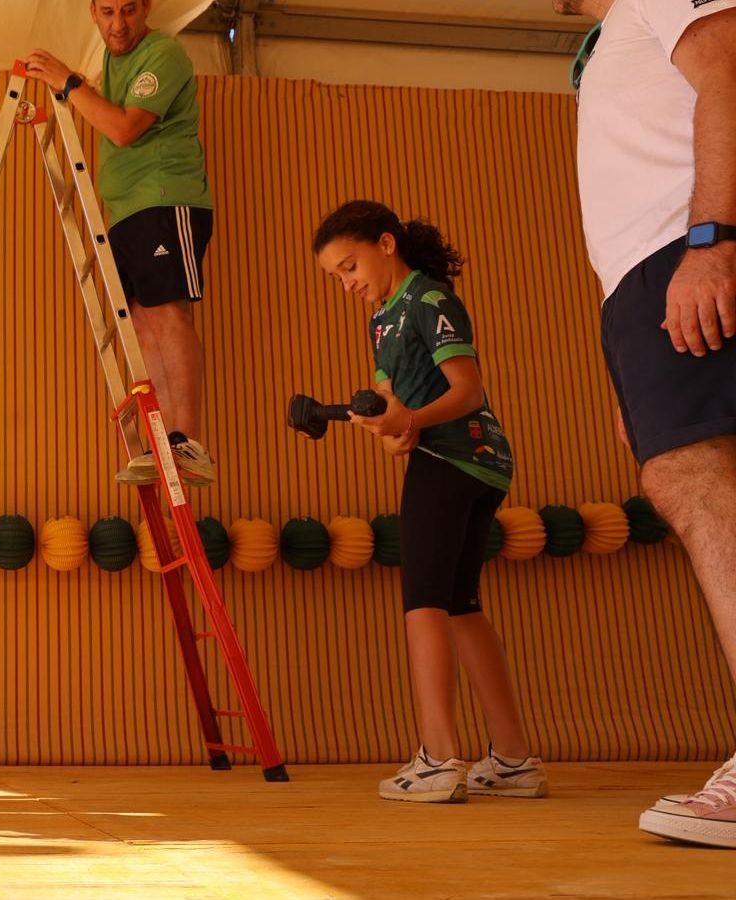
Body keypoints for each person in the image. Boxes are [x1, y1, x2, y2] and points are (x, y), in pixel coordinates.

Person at [556, 0, 736, 847]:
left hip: (684, 253)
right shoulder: (618, 32)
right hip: (647, 276)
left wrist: (710, 242)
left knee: (702, 483)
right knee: (689, 479)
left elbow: (729, 76)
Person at [314, 200, 547, 804]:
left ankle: (439, 758)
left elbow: (468, 390)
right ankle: (514, 759)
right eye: (337, 276)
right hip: (455, 459)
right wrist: (391, 427)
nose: (347, 283)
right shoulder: (381, 321)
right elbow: (400, 430)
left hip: (456, 458)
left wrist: (410, 421)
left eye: (349, 265)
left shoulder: (429, 299)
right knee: (461, 603)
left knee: (423, 602)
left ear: (385, 243)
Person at [22, 0, 215, 486]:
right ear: (92, 12)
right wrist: (60, 100)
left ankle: (187, 440)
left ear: (145, 9)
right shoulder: (110, 64)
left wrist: (68, 82)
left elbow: (124, 128)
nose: (118, 23)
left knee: (167, 313)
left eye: (128, 10)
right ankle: (164, 444)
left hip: (166, 198)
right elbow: (98, 108)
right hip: (127, 209)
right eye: (107, 11)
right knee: (143, 323)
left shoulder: (162, 54)